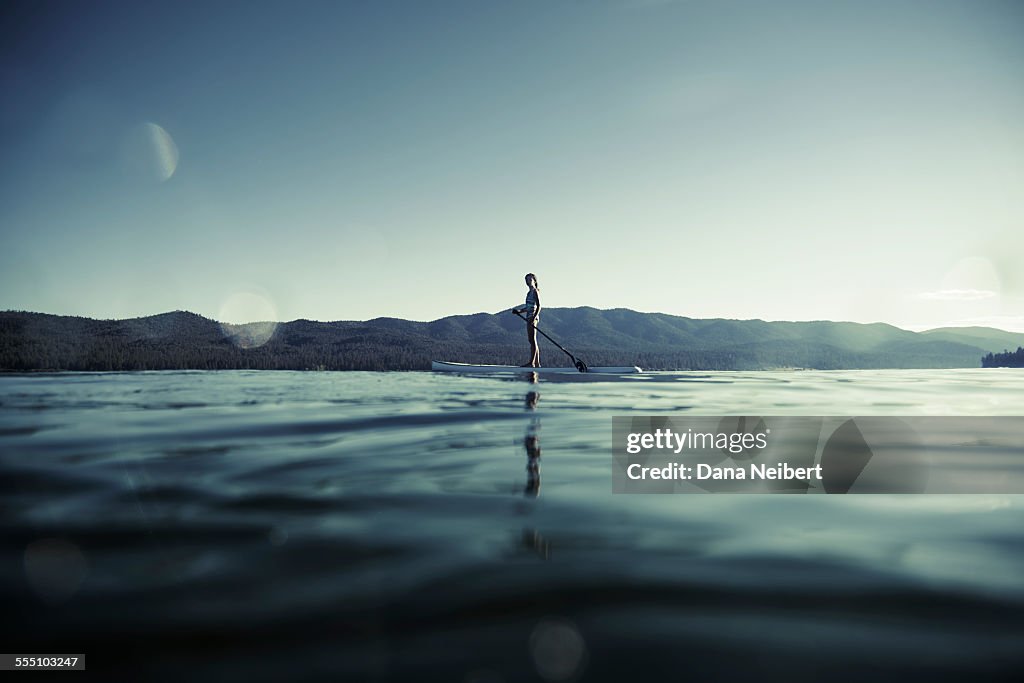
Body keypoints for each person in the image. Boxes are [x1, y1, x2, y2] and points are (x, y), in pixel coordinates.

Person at [512, 273, 541, 367]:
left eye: (530, 279)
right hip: (529, 317)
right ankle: (537, 363)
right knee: (531, 340)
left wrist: (534, 317)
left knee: (532, 340)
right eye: (526, 280)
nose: (528, 282)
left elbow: (539, 306)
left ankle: (532, 363)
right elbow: (528, 307)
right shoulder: (528, 293)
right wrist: (519, 311)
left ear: (534, 281)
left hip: (533, 317)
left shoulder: (535, 291)